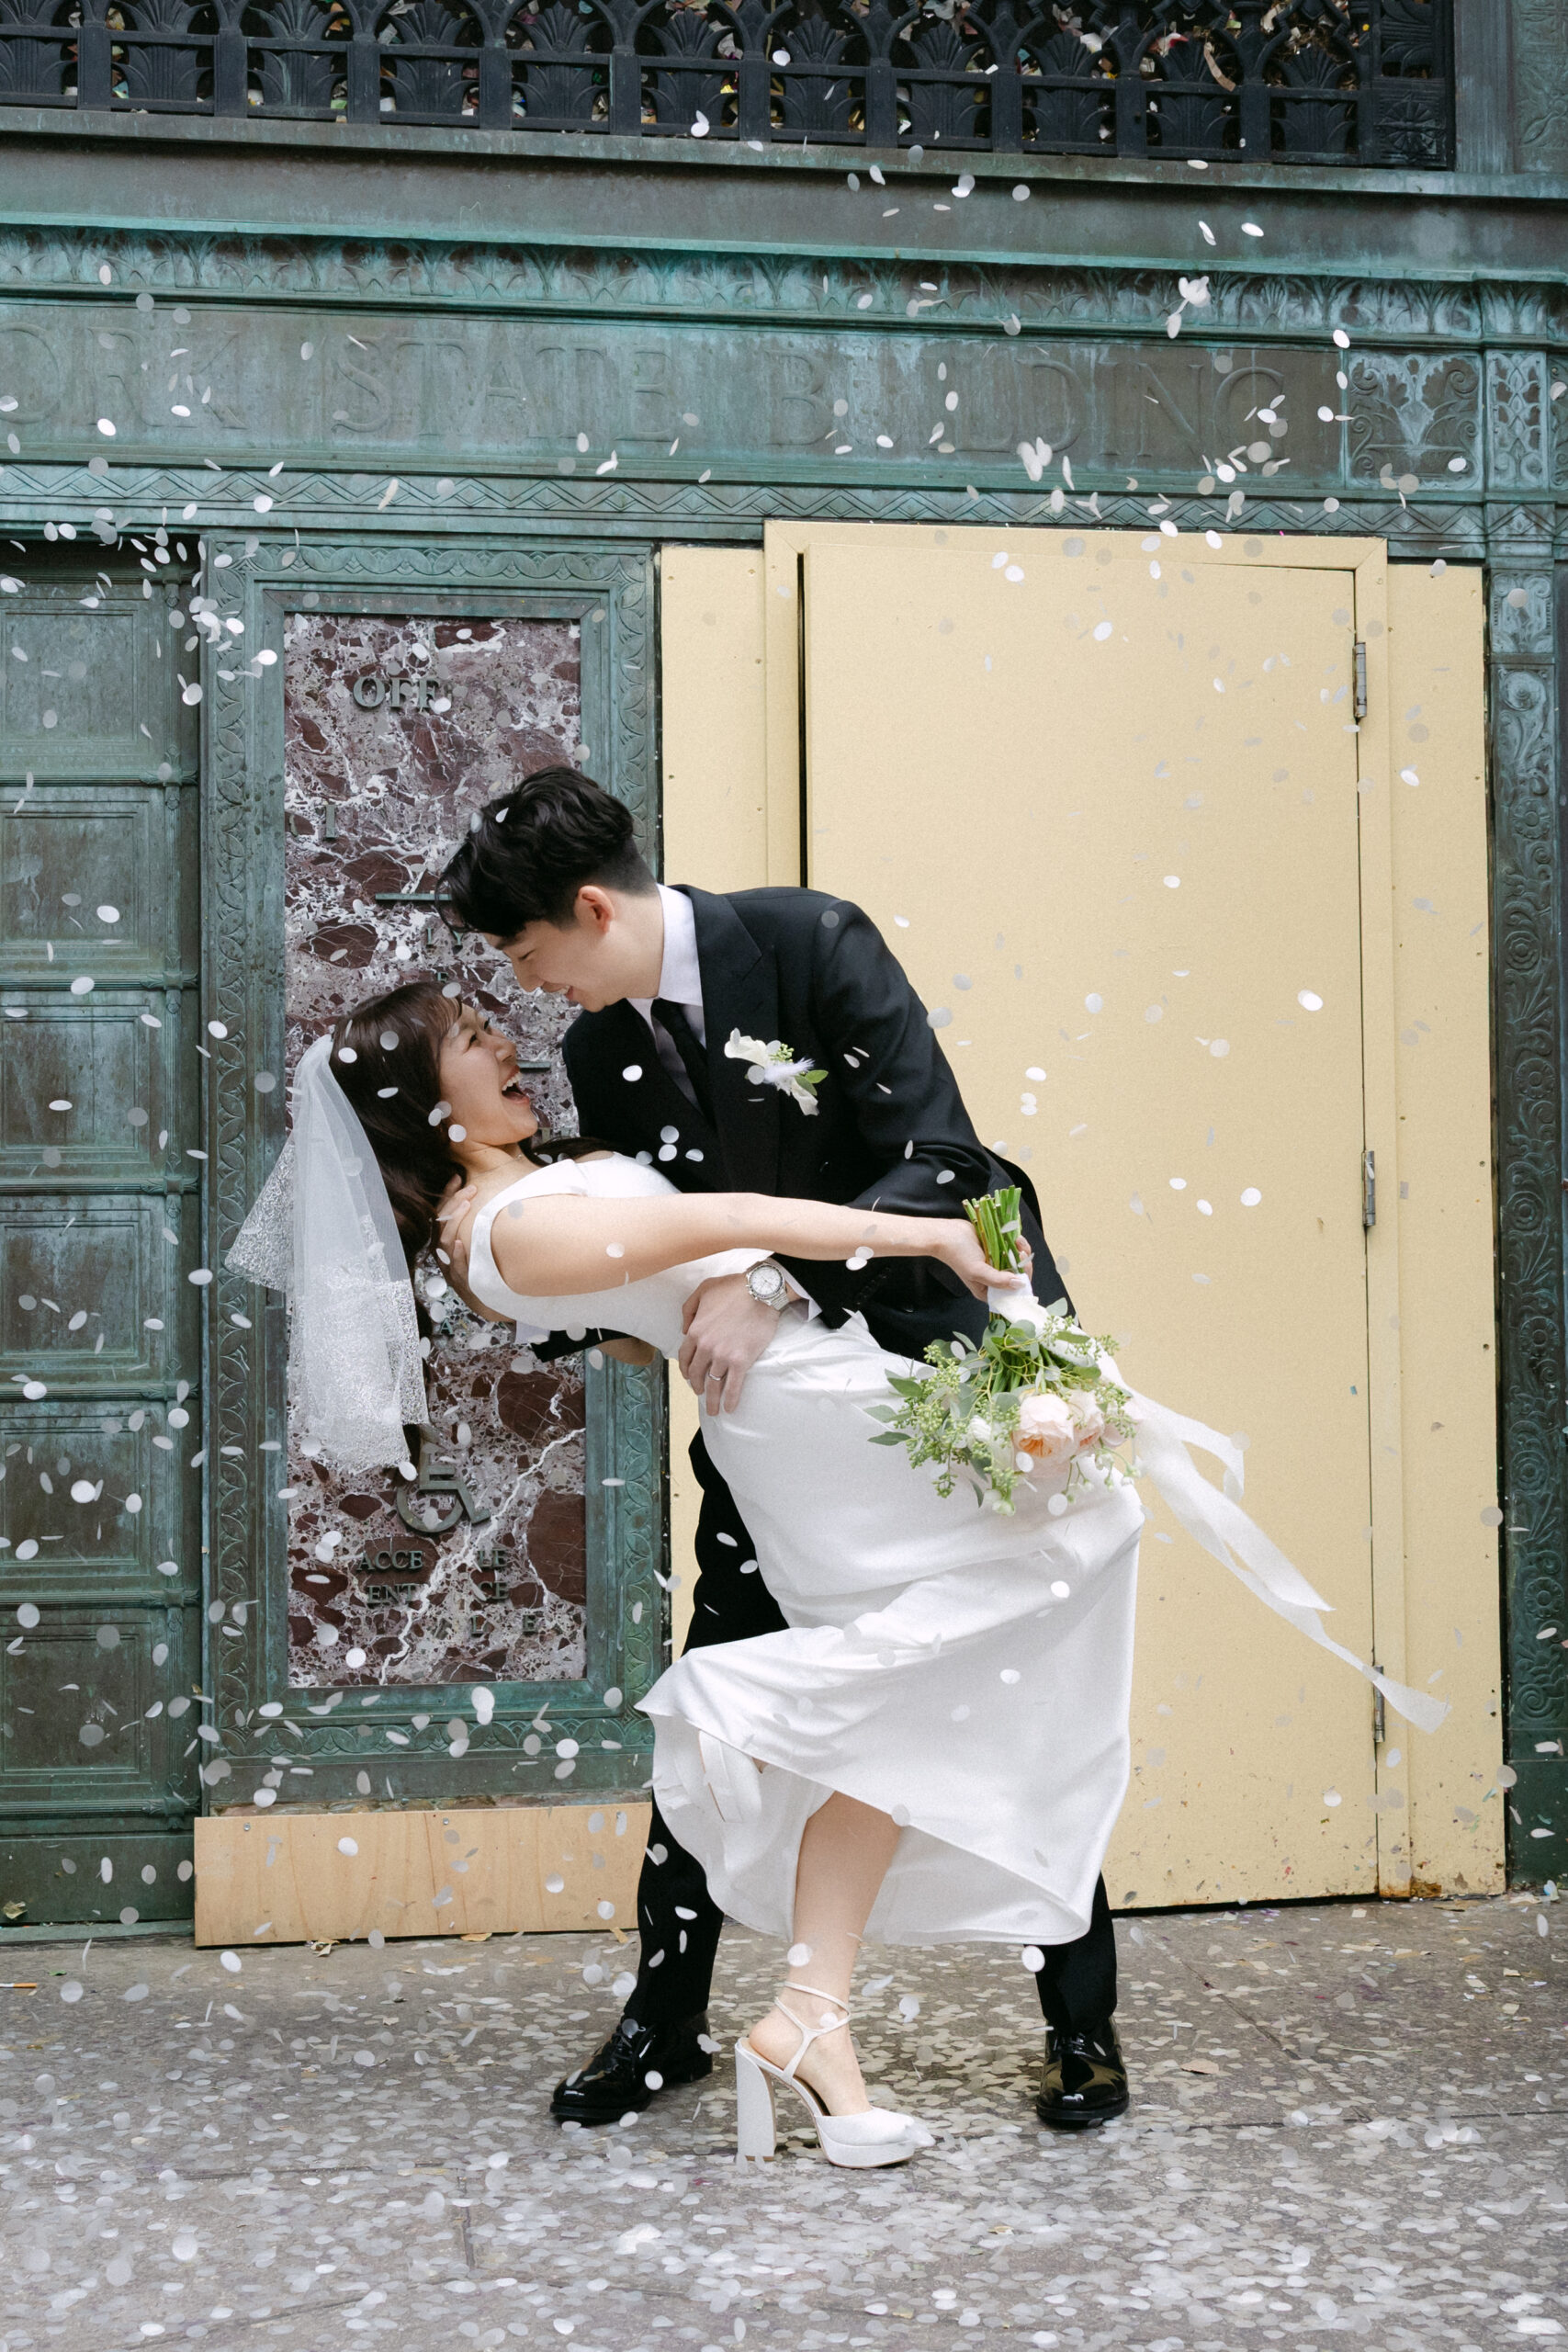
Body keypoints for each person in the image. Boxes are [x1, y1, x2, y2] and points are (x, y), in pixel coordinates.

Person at [229, 980, 1443, 2168]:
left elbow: (676, 1263)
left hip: (825, 1397)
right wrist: (933, 1234)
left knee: (910, 1709)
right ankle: (781, 1934)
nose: (505, 1039)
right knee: (1039, 1576)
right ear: (421, 1103)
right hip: (820, 1426)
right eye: (468, 1037)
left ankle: (812, 2021)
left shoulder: (524, 1197)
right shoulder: (517, 1226)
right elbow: (735, 1220)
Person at [437, 768, 1131, 2132]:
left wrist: (772, 1285)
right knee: (726, 1695)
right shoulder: (598, 1056)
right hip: (779, 1454)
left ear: (589, 908)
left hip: (930, 1396)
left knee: (993, 1682)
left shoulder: (812, 942)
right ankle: (666, 2022)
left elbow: (947, 1160)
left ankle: (1082, 2023)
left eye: (532, 955)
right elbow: (663, 1244)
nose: (540, 990)